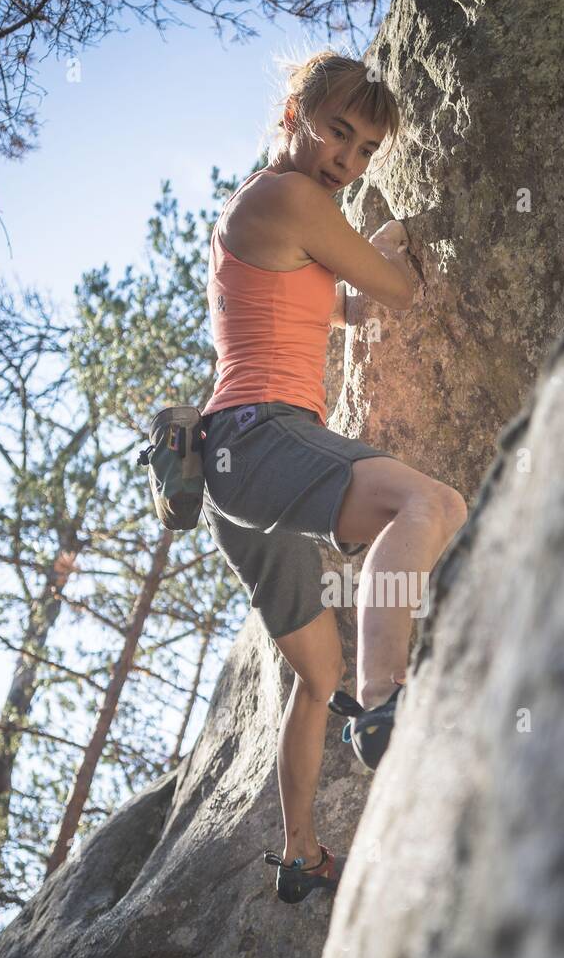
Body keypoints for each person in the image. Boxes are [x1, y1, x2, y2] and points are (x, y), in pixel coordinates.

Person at [200, 51, 467, 902]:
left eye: (363, 154)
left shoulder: (263, 209)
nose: (345, 162)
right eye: (337, 132)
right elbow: (397, 289)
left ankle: (301, 856)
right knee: (431, 503)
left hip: (230, 476)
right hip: (264, 434)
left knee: (317, 680)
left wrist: (366, 282)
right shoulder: (293, 198)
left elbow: (337, 302)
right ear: (294, 111)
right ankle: (387, 703)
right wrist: (392, 248)